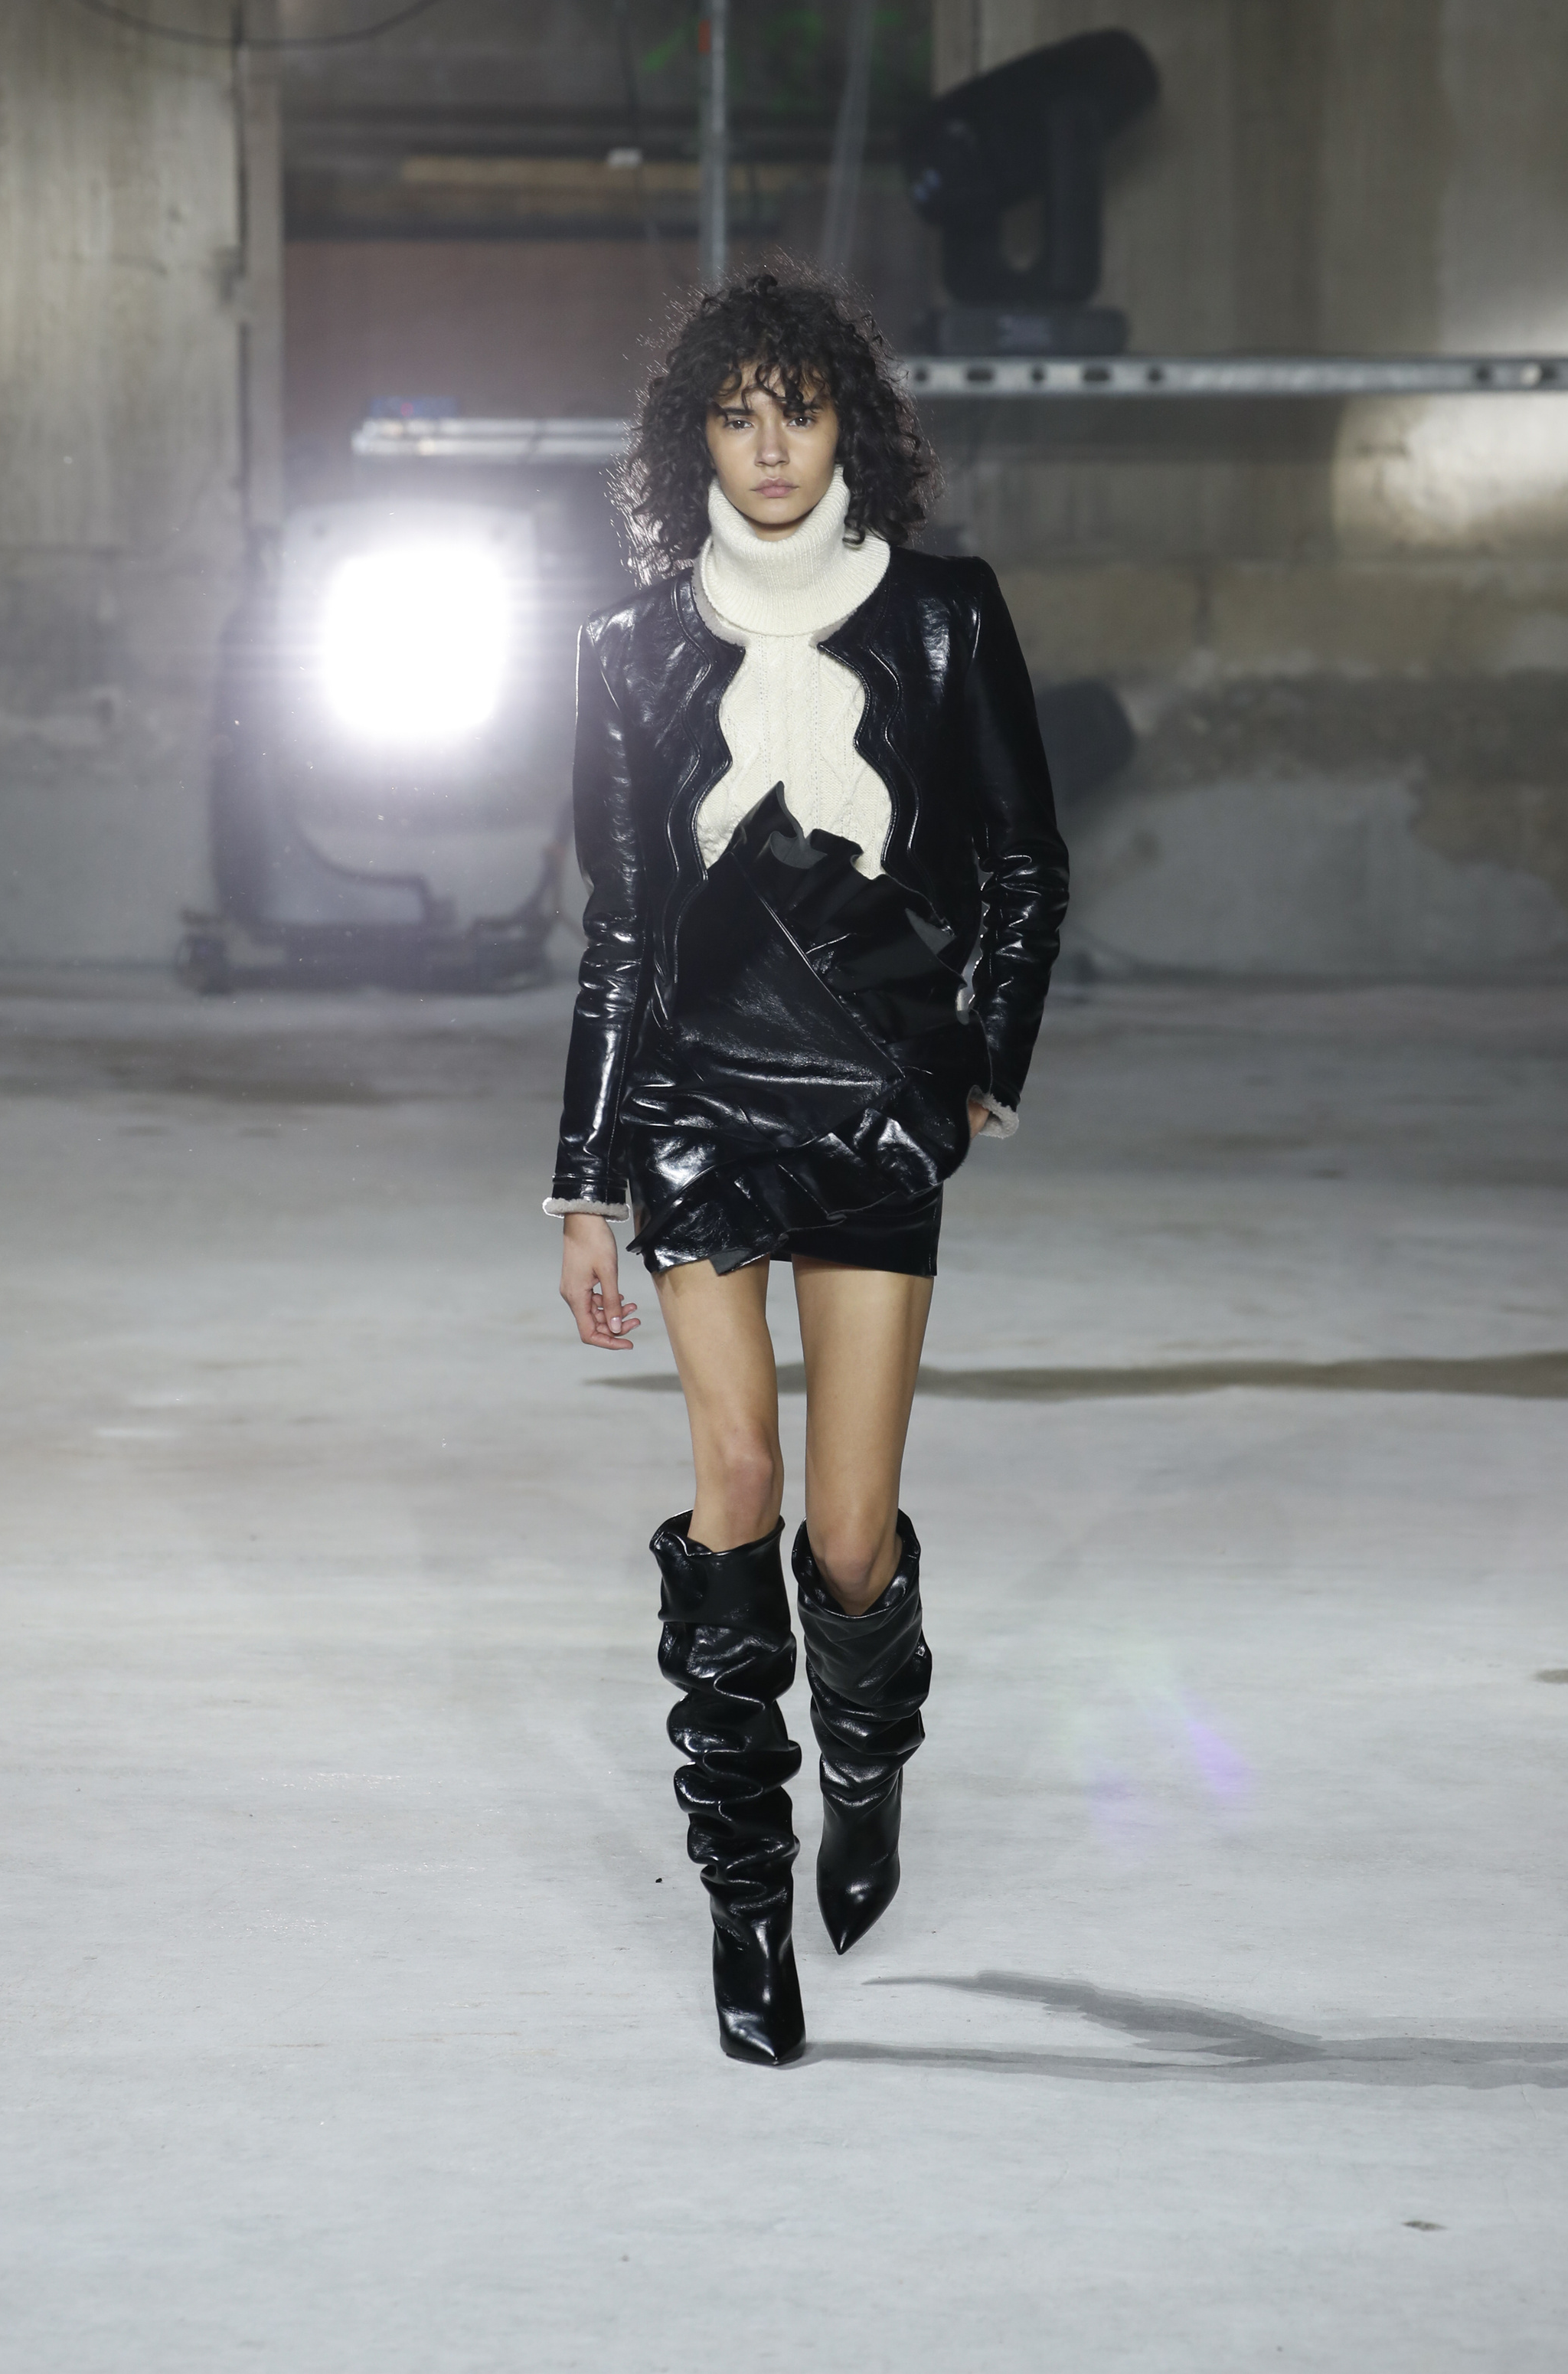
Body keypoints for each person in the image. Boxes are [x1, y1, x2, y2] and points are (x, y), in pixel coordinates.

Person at [546, 268, 1069, 2065]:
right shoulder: (627, 651)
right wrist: (582, 1182)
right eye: (734, 414)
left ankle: (864, 1760)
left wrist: (977, 1072)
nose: (768, 447)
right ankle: (743, 1901)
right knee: (738, 1474)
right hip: (697, 1102)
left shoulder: (942, 616)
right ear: (689, 438)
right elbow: (619, 932)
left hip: (875, 1101)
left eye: (800, 409)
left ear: (850, 425)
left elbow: (1023, 861)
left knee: (848, 1536)